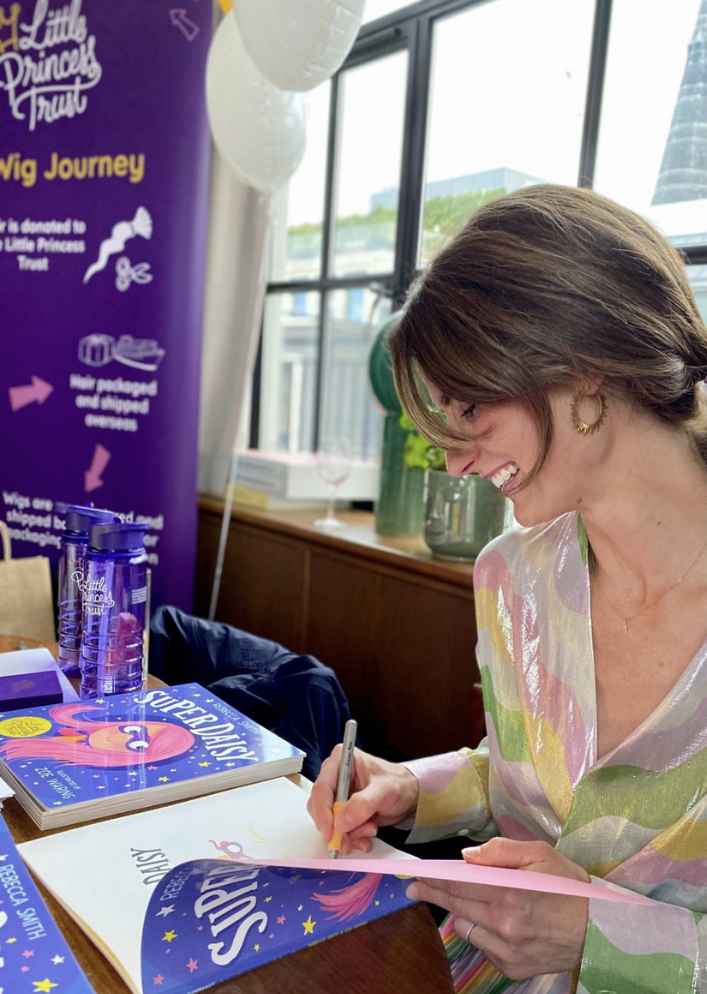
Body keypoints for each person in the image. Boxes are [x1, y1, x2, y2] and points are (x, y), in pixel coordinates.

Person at [308, 185, 707, 994]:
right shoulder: (512, 575)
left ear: (584, 369)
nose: (454, 459)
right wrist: (406, 788)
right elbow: (525, 782)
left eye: (470, 407)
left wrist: (605, 937)